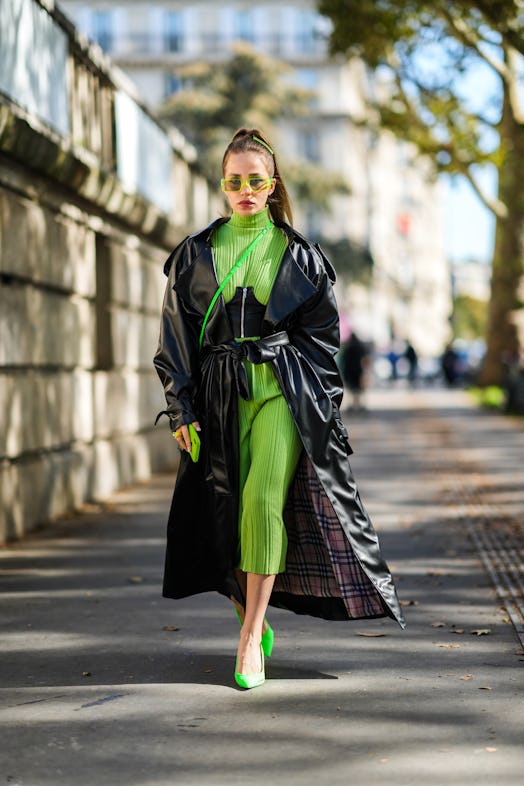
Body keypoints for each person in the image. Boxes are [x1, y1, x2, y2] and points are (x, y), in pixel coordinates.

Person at [154, 128, 404, 690]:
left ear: (273, 185)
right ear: (223, 185)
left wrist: (327, 417)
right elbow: (174, 344)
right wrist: (181, 410)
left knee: (263, 499)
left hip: (282, 393)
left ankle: (248, 642)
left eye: (255, 180)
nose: (245, 190)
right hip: (218, 397)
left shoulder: (302, 257)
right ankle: (251, 617)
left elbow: (322, 344)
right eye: (234, 181)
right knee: (225, 514)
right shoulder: (193, 255)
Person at [340, 331, 370, 410]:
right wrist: (366, 371)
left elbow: (344, 360)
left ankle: (353, 404)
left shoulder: (348, 348)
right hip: (358, 371)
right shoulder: (360, 347)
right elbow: (365, 359)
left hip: (349, 371)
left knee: (352, 389)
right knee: (359, 389)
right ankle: (358, 404)